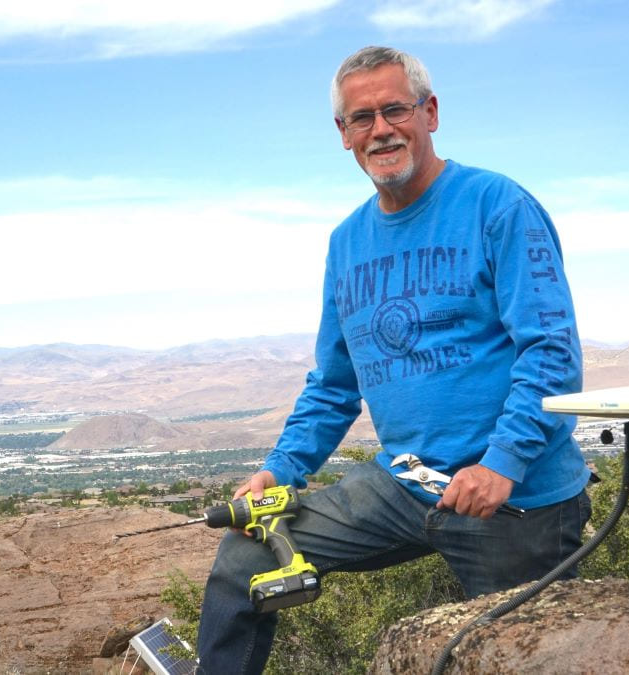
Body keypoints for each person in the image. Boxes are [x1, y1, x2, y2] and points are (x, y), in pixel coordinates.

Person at [196, 46, 590, 674]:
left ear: (429, 113)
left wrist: (503, 463)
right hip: (403, 485)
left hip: (514, 498)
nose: (380, 129)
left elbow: (550, 351)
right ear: (343, 134)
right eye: (361, 118)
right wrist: (279, 470)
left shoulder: (498, 206)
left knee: (509, 656)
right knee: (245, 557)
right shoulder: (346, 242)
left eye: (395, 110)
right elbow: (332, 384)